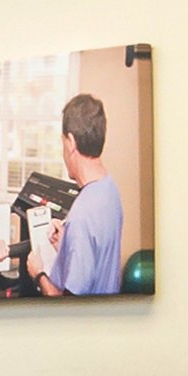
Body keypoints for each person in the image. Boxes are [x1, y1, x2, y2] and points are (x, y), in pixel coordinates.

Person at [41, 89, 131, 296]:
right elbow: (97, 260)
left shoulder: (80, 217)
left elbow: (70, 307)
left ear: (71, 143)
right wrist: (67, 246)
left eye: (63, 143)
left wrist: (38, 274)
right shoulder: (109, 189)